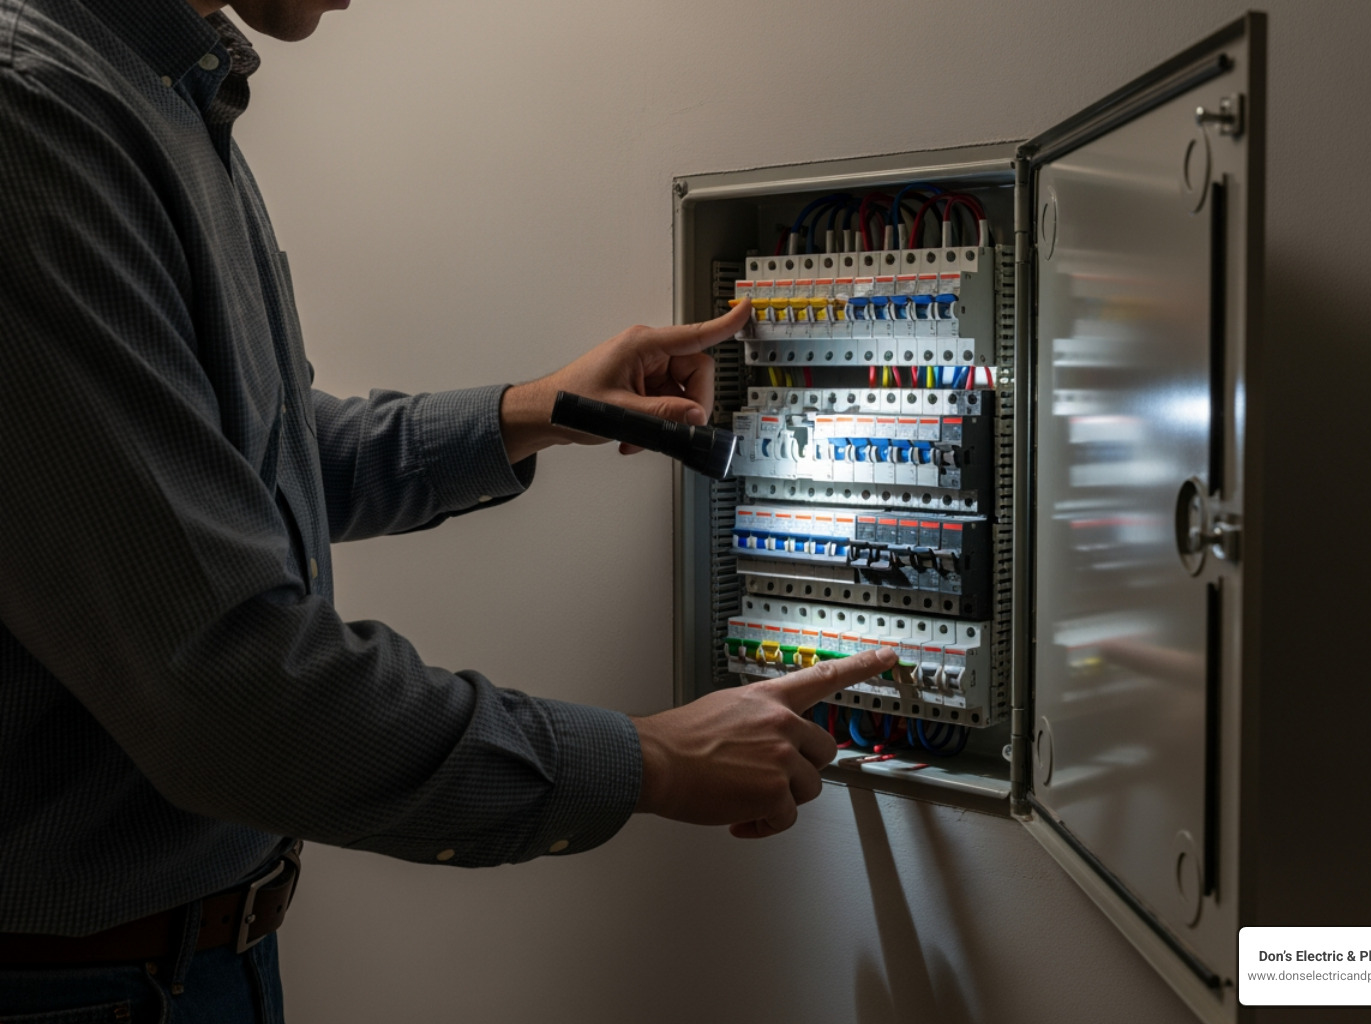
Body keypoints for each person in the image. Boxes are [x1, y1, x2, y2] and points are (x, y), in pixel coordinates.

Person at [0, 0, 897, 1017]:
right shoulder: (36, 119)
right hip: (74, 985)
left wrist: (536, 411)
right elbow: (232, 691)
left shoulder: (166, 96)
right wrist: (646, 758)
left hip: (197, 957)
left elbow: (238, 469)